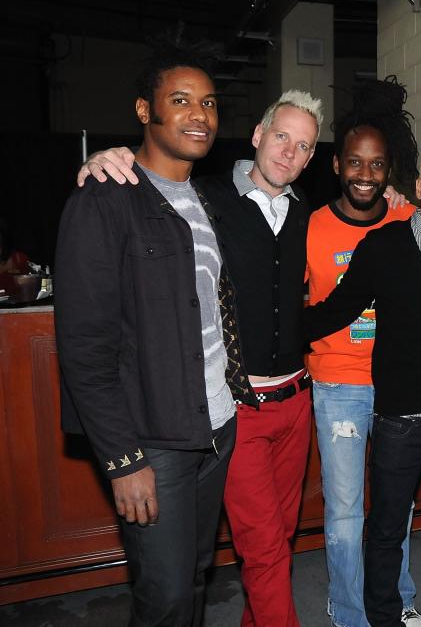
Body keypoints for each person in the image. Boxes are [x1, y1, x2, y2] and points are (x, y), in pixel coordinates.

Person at [77, 89, 323, 626]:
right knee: (263, 548)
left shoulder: (310, 211)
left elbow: (363, 219)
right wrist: (106, 158)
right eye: (281, 136)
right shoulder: (205, 196)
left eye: (303, 146)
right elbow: (149, 183)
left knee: (278, 537)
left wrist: (400, 199)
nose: (288, 153)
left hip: (298, 400)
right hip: (240, 407)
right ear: (257, 136)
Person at [56, 41, 251, 626]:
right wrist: (121, 458)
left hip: (217, 425)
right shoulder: (104, 198)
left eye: (210, 103)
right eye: (182, 100)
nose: (201, 115)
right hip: (152, 439)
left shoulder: (210, 200)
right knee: (164, 593)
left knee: (194, 577)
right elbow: (85, 348)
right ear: (147, 111)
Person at [302, 144, 421, 627]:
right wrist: (274, 335)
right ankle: (384, 617)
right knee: (386, 529)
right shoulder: (384, 246)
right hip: (402, 419)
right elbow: (337, 309)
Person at [306, 77, 421, 627]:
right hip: (339, 388)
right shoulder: (310, 228)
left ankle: (397, 602)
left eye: (377, 165)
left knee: (395, 509)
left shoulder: (406, 220)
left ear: (389, 171)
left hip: (398, 384)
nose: (365, 174)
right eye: (355, 162)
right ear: (337, 165)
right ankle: (351, 612)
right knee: (347, 512)